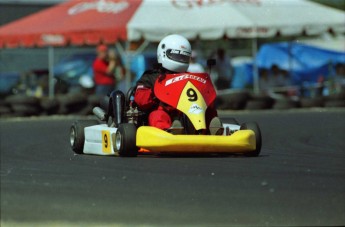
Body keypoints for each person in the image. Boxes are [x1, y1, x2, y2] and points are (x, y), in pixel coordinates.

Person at [134, 34, 222, 135]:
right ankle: (170, 131)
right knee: (158, 114)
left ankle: (213, 129)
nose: (180, 59)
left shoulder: (190, 77)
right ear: (163, 53)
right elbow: (141, 100)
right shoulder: (153, 77)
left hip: (190, 112)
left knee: (209, 111)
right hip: (166, 112)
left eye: (183, 57)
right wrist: (155, 95)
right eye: (177, 56)